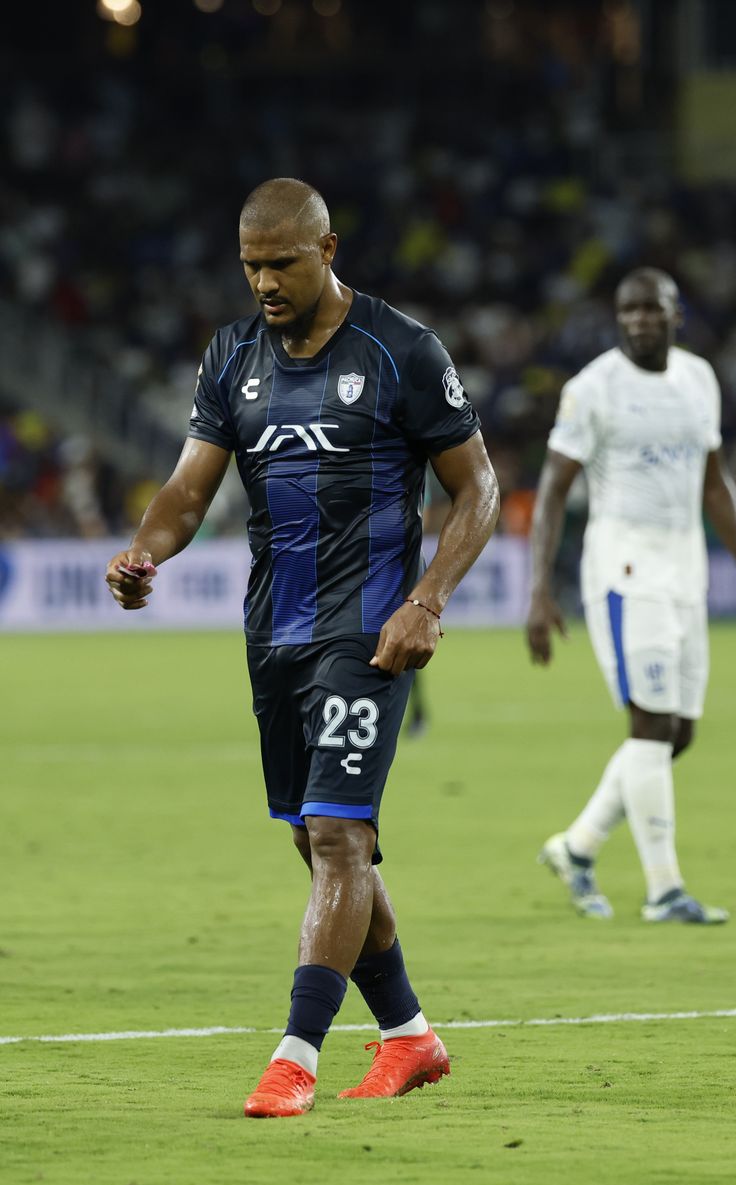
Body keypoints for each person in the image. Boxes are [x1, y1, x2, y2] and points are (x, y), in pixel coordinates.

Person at [106, 178, 499, 1117]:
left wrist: (428, 601)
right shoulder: (231, 355)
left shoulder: (402, 350)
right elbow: (190, 489)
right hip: (273, 630)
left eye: (281, 263)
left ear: (327, 250)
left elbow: (476, 488)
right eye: (250, 266)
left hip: (368, 633)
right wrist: (144, 550)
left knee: (337, 834)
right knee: (321, 841)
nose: (264, 283)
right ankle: (410, 1038)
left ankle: (294, 1057)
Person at [526, 267, 736, 924]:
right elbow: (553, 489)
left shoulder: (698, 379)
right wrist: (538, 589)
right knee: (650, 724)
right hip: (624, 565)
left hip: (685, 564)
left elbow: (714, 482)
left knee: (678, 732)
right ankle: (665, 888)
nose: (638, 320)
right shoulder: (593, 388)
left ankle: (576, 847)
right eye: (628, 310)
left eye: (651, 309)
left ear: (676, 315)